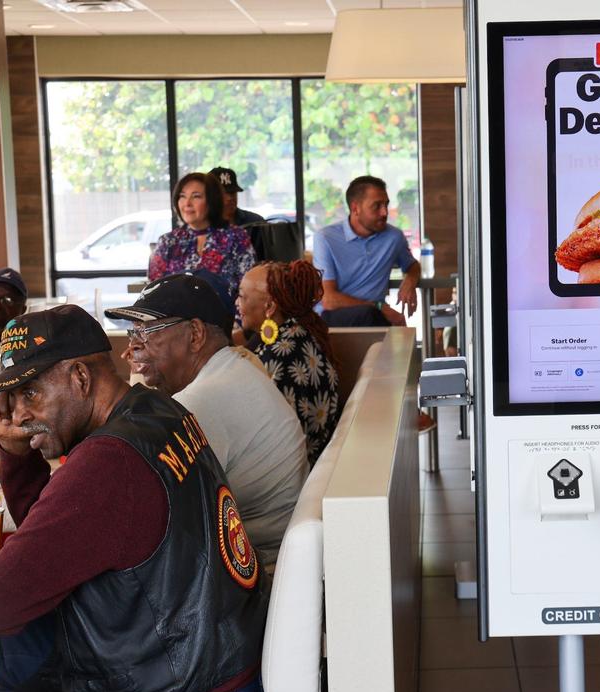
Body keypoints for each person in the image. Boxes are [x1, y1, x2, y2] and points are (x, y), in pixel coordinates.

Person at [0, 304, 269, 692]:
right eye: (12, 399)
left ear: (80, 378)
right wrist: (17, 455)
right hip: (214, 665)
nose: (19, 415)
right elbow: (56, 541)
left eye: (31, 394)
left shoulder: (107, 463)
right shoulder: (157, 410)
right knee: (22, 634)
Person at [109, 273, 308, 568]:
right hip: (270, 562)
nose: (130, 350)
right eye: (132, 334)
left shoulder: (201, 401)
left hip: (257, 575)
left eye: (147, 333)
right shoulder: (232, 370)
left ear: (195, 334)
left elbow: (138, 512)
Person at [237, 261, 340, 464]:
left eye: (242, 295)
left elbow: (275, 442)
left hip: (294, 480)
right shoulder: (298, 335)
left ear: (269, 306)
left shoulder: (281, 358)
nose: (236, 303)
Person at [312, 175, 420, 327]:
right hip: (334, 320)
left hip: (374, 318)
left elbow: (412, 266)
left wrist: (410, 280)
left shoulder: (394, 237)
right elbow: (329, 300)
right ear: (355, 208)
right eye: (377, 206)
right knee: (371, 316)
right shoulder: (325, 238)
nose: (384, 212)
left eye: (386, 205)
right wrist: (378, 306)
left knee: (397, 328)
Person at [147, 172, 255, 298]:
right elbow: (152, 294)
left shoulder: (237, 238)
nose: (187, 203)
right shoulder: (167, 242)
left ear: (212, 201)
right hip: (174, 317)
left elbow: (248, 292)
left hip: (225, 316)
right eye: (182, 196)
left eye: (196, 196)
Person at [209, 166, 266, 259]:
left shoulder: (256, 223)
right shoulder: (200, 226)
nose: (229, 198)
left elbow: (270, 260)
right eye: (223, 193)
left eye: (232, 193)